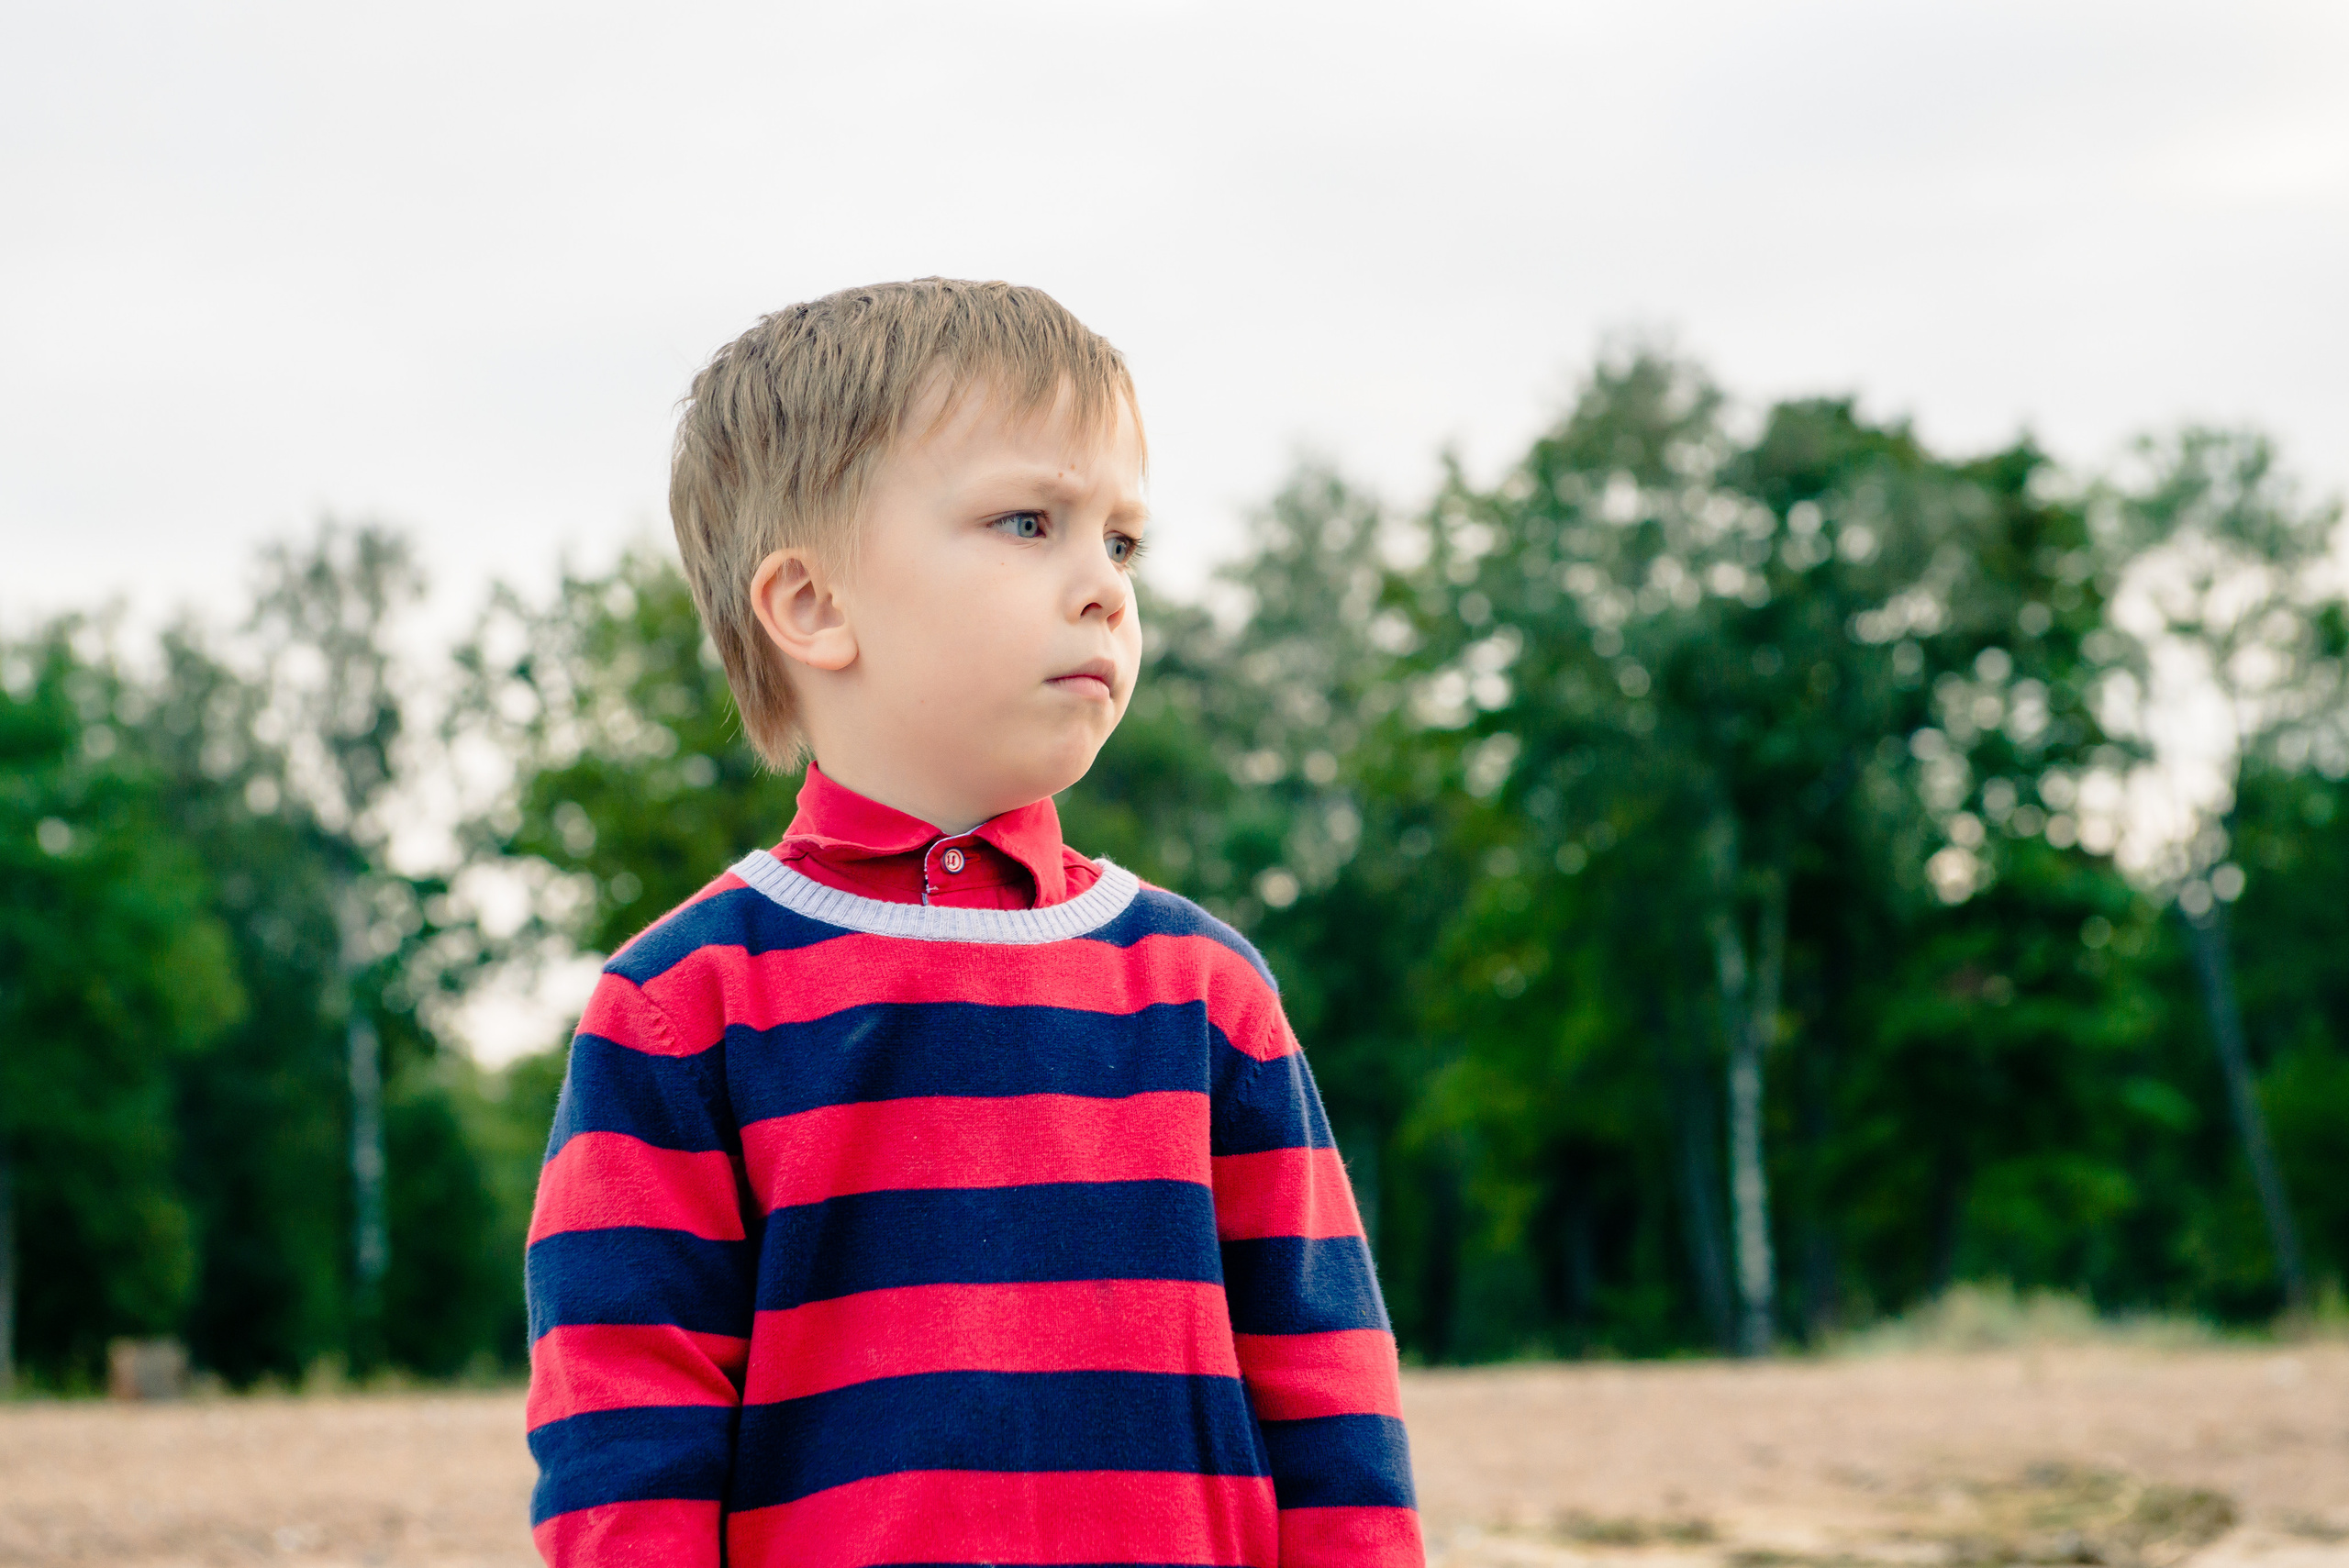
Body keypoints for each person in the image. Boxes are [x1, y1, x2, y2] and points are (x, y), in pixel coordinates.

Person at [522, 279, 1421, 1568]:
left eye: (1122, 543)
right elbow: (624, 1437)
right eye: (1028, 522)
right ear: (814, 604)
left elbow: (1331, 1397)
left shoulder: (1205, 992)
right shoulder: (682, 1008)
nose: (1104, 588)